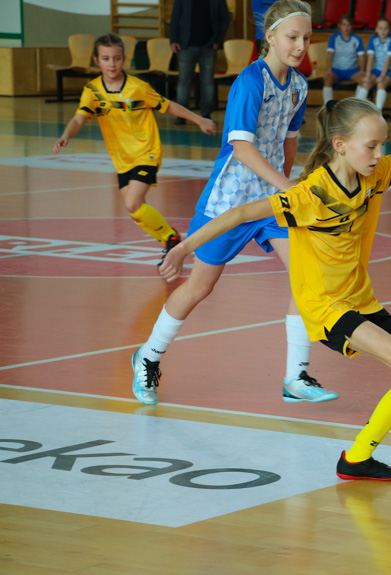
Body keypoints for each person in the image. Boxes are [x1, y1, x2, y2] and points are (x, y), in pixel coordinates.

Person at [159, 98, 391, 481]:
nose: (379, 154)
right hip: (325, 307)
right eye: (371, 146)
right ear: (340, 145)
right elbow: (238, 213)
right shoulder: (309, 195)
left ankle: (357, 458)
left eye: (382, 145)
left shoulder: (375, 173)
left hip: (360, 297)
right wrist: (183, 247)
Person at [130, 0, 337, 406]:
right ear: (271, 37)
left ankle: (296, 376)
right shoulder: (250, 81)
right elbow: (241, 147)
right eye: (292, 37)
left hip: (270, 202)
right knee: (200, 286)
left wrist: (285, 188)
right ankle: (148, 356)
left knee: (306, 274)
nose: (300, 45)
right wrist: (285, 185)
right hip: (230, 198)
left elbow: (288, 142)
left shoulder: (297, 85)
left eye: (307, 38)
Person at [53, 33, 217, 267]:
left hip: (146, 153)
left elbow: (168, 105)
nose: (112, 64)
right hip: (122, 159)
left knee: (132, 203)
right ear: (96, 60)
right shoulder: (92, 91)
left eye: (117, 58)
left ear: (124, 59)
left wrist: (198, 119)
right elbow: (79, 119)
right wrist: (65, 135)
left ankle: (173, 240)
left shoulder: (138, 87)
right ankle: (170, 238)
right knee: (136, 210)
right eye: (106, 58)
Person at [169, 0, 230, 125]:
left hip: (209, 46)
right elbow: (175, 18)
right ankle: (181, 115)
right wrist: (173, 39)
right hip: (186, 46)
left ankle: (206, 114)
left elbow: (225, 18)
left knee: (207, 82)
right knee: (184, 82)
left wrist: (218, 41)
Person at [356, 18, 391, 111]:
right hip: (376, 69)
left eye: (385, 28)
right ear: (376, 29)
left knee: (381, 83)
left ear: (389, 29)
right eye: (380, 28)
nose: (383, 31)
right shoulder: (373, 38)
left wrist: (382, 76)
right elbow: (370, 58)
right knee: (366, 83)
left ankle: (378, 112)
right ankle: (355, 110)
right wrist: (368, 76)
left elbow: (388, 60)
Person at [322, 14, 365, 104]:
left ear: (352, 26)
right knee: (328, 78)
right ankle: (328, 107)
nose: (346, 27)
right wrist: (329, 70)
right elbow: (329, 55)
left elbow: (361, 57)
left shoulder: (357, 38)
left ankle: (356, 105)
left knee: (364, 80)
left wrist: (362, 70)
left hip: (352, 70)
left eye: (349, 25)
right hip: (336, 70)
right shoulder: (334, 37)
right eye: (344, 24)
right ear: (339, 25)